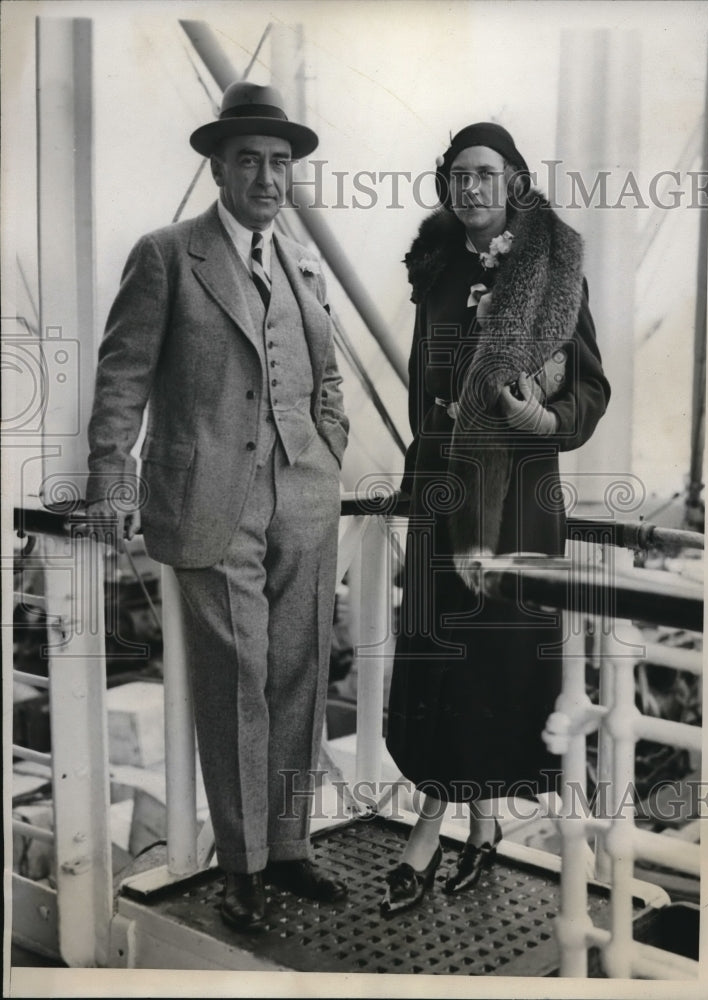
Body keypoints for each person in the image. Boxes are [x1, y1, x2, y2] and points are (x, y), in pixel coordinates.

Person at [86, 83, 349, 931]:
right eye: (251, 162)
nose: (268, 178)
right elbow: (122, 374)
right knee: (234, 679)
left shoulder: (303, 264)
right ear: (218, 166)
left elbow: (328, 376)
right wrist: (113, 481)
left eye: (280, 164)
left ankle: (291, 847)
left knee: (300, 676)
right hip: (208, 501)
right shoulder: (167, 253)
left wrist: (328, 445)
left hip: (303, 498)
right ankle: (239, 865)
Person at [381, 122, 610, 915]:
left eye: (485, 175)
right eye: (457, 176)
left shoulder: (550, 272)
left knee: (482, 672)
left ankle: (425, 833)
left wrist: (542, 422)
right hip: (443, 496)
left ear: (513, 181)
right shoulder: (438, 270)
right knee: (443, 669)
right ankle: (481, 832)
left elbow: (589, 391)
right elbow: (422, 392)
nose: (469, 188)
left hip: (515, 507)